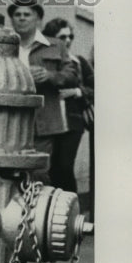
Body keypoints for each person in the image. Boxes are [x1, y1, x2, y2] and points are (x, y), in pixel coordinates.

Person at [7, 0, 79, 190]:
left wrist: (50, 76)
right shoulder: (5, 45)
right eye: (17, 14)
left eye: (27, 14)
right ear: (11, 19)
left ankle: (35, 217)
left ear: (37, 19)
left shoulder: (56, 45)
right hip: (10, 120)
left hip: (43, 121)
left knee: (39, 172)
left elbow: (72, 75)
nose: (22, 18)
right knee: (8, 170)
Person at [42, 17, 95, 204]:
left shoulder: (78, 62)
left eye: (70, 36)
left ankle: (71, 210)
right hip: (48, 122)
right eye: (62, 36)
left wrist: (78, 91)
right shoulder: (44, 59)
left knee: (64, 167)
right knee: (49, 169)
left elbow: (96, 87)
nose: (68, 40)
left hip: (72, 122)